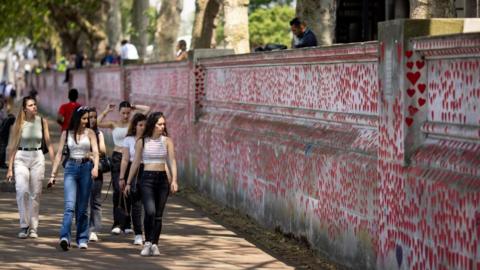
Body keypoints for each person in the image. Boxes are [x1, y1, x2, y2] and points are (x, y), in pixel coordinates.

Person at [125, 112, 178, 256]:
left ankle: (155, 244)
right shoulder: (142, 141)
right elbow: (135, 162)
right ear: (153, 125)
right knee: (150, 211)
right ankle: (147, 242)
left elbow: (172, 161)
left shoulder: (167, 141)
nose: (162, 127)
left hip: (162, 180)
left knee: (159, 215)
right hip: (146, 179)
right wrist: (128, 182)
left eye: (163, 124)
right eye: (159, 124)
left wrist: (174, 180)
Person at [49, 106, 99, 250]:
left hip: (86, 168)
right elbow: (59, 154)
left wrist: (95, 167)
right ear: (77, 118)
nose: (86, 121)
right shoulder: (66, 133)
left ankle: (82, 238)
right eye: (84, 119)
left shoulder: (90, 133)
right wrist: (53, 175)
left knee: (82, 208)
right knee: (69, 206)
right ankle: (65, 237)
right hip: (70, 168)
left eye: (87, 119)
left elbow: (95, 152)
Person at [97, 101, 150, 235]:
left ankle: (127, 223)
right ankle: (117, 223)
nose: (126, 115)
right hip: (117, 158)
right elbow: (95, 123)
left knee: (131, 189)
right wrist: (106, 110)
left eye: (128, 113)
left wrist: (135, 106)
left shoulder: (134, 124)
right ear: (119, 112)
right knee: (118, 189)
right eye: (123, 113)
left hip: (132, 159)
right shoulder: (113, 124)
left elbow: (148, 109)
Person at [6, 96, 55, 238]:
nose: (34, 107)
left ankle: (33, 227)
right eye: (30, 105)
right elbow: (13, 147)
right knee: (22, 191)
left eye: (35, 104)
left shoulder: (42, 121)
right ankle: (23, 225)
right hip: (21, 157)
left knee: (36, 193)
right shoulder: (19, 123)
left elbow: (49, 143)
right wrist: (10, 168)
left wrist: (54, 166)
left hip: (37, 157)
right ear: (24, 108)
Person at [119, 113, 147, 245]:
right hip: (133, 170)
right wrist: (122, 178)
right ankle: (138, 234)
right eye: (140, 125)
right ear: (135, 126)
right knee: (136, 204)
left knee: (148, 205)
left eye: (145, 125)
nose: (143, 127)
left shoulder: (149, 139)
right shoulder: (128, 140)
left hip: (147, 169)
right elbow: (125, 160)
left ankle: (149, 233)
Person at [87, 107, 107, 242]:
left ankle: (93, 229)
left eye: (95, 117)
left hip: (96, 169)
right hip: (82, 169)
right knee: (82, 200)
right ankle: (84, 227)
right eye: (90, 117)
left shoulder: (99, 133)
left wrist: (97, 140)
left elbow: (103, 151)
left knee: (95, 200)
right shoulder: (80, 133)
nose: (93, 120)